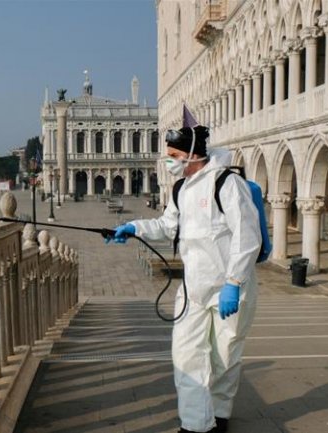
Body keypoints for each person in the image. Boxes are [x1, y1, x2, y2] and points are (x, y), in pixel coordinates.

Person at [108, 125, 261, 433]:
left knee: (224, 357)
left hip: (230, 289)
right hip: (193, 289)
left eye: (174, 155)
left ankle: (219, 415)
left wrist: (233, 282)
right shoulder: (181, 188)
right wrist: (134, 228)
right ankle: (195, 425)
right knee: (186, 356)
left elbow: (248, 236)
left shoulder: (227, 183)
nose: (169, 162)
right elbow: (167, 225)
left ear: (193, 154)